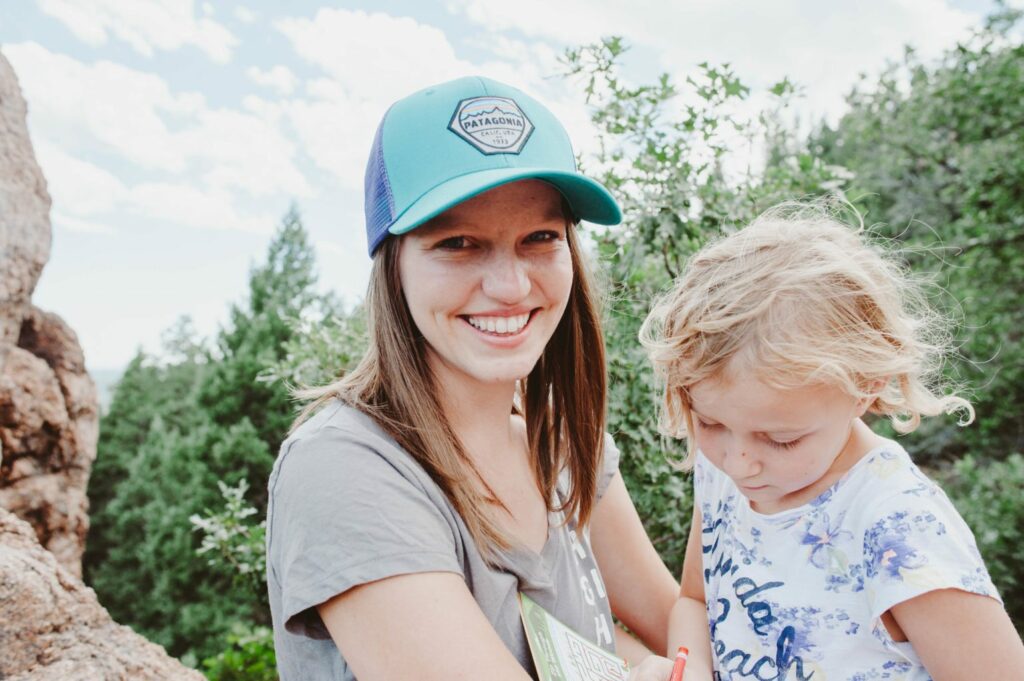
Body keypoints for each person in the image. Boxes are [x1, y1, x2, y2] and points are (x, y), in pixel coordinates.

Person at [265, 76, 679, 681]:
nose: (510, 286)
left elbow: (678, 623)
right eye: (458, 243)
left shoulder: (566, 451)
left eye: (540, 237)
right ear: (394, 264)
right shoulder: (346, 470)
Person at [641, 202, 1024, 680]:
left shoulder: (898, 526)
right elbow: (696, 600)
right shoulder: (723, 472)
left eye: (780, 439)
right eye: (709, 423)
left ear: (864, 386)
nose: (739, 463)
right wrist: (690, 666)